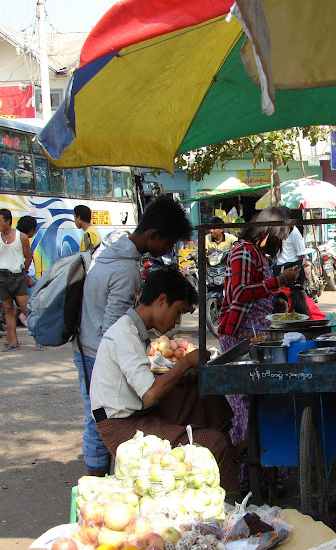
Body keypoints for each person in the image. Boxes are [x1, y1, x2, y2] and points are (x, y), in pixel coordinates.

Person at [89, 265, 239, 491]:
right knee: (212, 443)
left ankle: (229, 458)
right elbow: (150, 395)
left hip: (138, 413)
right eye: (177, 311)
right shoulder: (124, 334)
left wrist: (186, 374)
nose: (177, 320)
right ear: (161, 300)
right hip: (123, 426)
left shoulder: (135, 331)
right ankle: (231, 500)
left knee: (204, 397)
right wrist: (186, 363)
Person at [74, 195, 192, 477]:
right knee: (98, 419)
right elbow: (114, 329)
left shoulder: (110, 252)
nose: (169, 248)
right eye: (168, 242)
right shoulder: (126, 269)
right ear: (153, 235)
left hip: (88, 344)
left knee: (96, 415)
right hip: (95, 349)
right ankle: (96, 480)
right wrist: (130, 358)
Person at [218, 207, 299, 450]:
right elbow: (240, 294)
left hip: (257, 337)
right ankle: (247, 470)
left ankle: (267, 466)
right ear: (270, 232)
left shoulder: (258, 254)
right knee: (244, 404)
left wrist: (277, 299)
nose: (281, 243)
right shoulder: (243, 251)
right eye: (281, 238)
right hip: (240, 339)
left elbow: (257, 292)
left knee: (261, 402)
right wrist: (280, 281)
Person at [0, 208, 32, 351]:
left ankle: (40, 338)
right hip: (2, 277)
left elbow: (28, 256)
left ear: (8, 221)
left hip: (18, 276)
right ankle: (14, 342)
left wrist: (23, 272)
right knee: (8, 310)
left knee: (25, 309)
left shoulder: (22, 237)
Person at [15, 215, 44, 349]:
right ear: (31, 229)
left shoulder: (15, 239)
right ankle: (38, 341)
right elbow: (19, 264)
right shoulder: (22, 240)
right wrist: (26, 278)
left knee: (14, 311)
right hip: (26, 280)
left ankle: (12, 340)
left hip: (18, 279)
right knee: (31, 311)